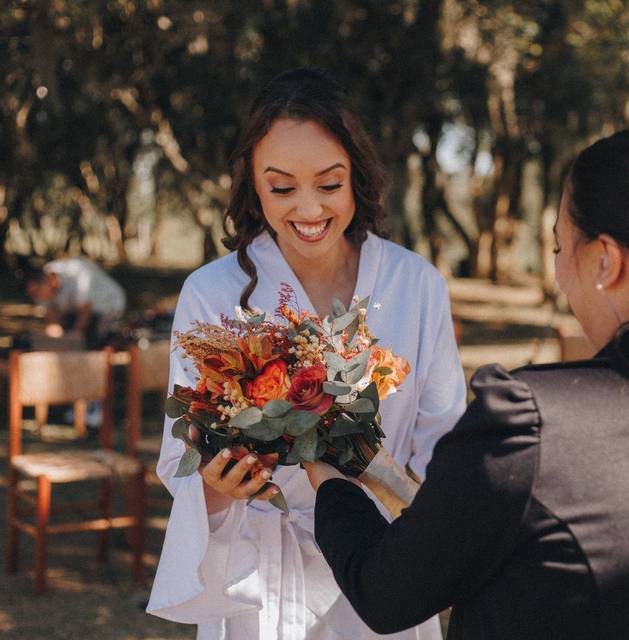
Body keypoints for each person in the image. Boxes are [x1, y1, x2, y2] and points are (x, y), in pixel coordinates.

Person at [304, 126, 629, 640]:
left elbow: (388, 592)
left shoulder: (531, 427)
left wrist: (330, 477)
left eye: (559, 249)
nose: (558, 273)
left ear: (605, 261)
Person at [146, 68, 466, 640]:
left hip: (379, 564)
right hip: (258, 580)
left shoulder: (414, 285)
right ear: (254, 186)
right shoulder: (212, 294)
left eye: (329, 182)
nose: (309, 208)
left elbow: (444, 443)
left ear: (356, 179)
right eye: (282, 186)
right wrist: (220, 486)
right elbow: (180, 461)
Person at [25, 257, 127, 347]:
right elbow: (51, 318)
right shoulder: (40, 285)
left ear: (51, 280)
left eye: (37, 292)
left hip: (107, 306)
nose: (37, 297)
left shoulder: (79, 273)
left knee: (92, 341)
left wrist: (72, 340)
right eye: (33, 294)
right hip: (74, 309)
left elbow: (84, 311)